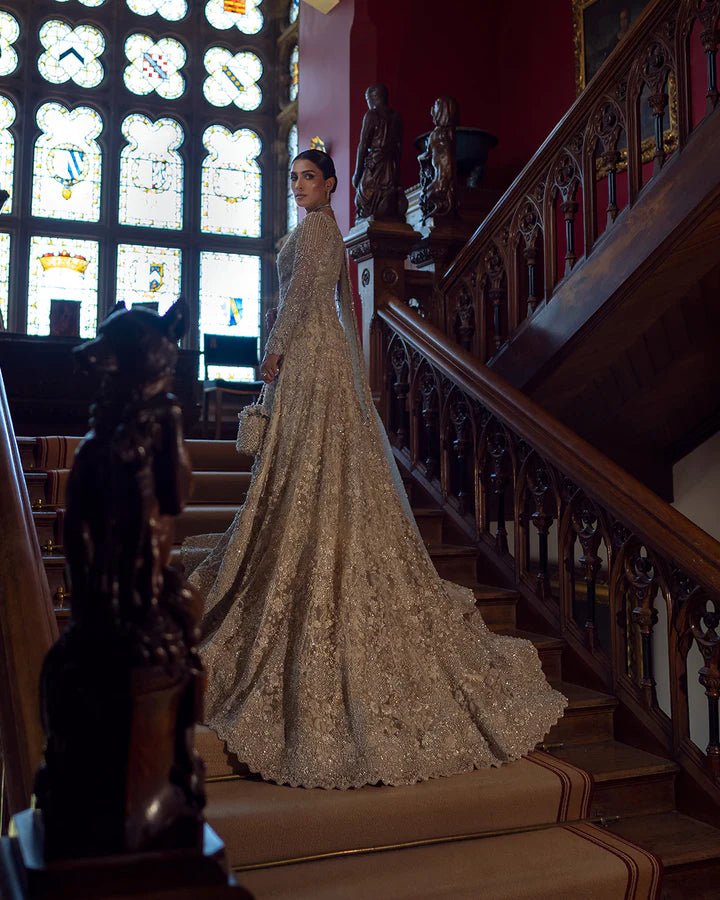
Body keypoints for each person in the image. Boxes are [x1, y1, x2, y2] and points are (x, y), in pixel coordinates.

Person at [182, 149, 566, 790]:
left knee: (307, 473)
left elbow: (304, 300)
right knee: (311, 475)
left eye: (310, 179)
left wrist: (272, 353)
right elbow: (337, 309)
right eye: (297, 179)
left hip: (308, 359)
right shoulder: (324, 233)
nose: (301, 187)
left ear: (331, 186)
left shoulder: (316, 233)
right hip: (324, 362)